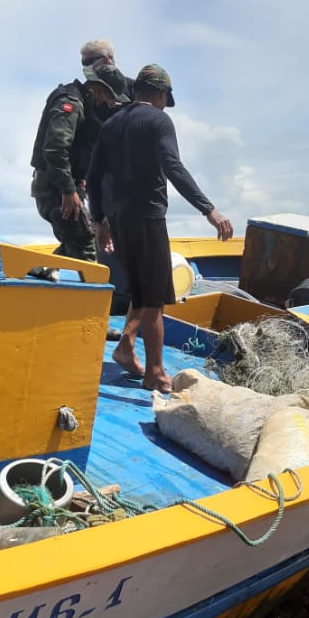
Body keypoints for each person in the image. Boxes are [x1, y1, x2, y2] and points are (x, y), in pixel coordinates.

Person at [86, 64, 233, 393]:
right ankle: (155, 372)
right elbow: (173, 167)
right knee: (154, 298)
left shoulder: (110, 125)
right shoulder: (158, 120)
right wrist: (209, 210)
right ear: (160, 93)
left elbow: (94, 178)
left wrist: (100, 222)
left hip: (119, 218)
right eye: (166, 98)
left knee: (142, 287)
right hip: (148, 216)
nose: (166, 105)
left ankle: (126, 346)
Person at [29, 60, 130, 264]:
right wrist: (68, 190)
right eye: (110, 97)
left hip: (65, 184)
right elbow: (56, 148)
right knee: (85, 243)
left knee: (74, 244)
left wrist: (78, 182)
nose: (111, 104)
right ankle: (82, 293)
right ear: (97, 88)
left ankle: (42, 280)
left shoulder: (85, 104)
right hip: (54, 186)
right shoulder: (72, 103)